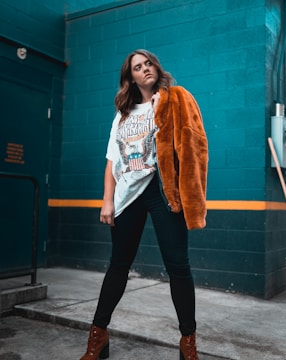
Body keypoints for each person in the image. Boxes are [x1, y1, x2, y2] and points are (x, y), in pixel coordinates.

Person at [80, 49, 208, 360]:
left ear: (155, 67)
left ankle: (187, 341)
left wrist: (162, 106)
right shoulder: (122, 114)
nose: (144, 69)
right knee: (118, 266)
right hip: (126, 195)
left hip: (163, 191)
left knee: (178, 267)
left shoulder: (172, 101)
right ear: (130, 77)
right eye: (137, 67)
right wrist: (107, 201)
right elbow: (112, 161)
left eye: (148, 63)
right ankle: (98, 336)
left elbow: (192, 141)